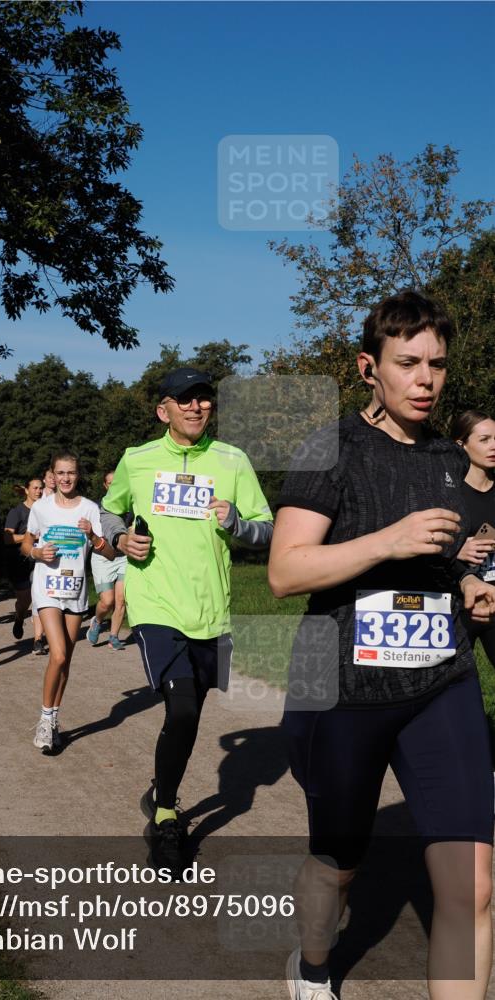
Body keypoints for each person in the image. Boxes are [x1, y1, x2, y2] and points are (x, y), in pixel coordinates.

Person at [269, 291, 494, 1000]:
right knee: (337, 865)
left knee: (476, 887)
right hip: (345, 688)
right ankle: (311, 965)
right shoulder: (330, 447)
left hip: (440, 681)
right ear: (371, 367)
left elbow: (436, 558)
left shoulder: (448, 460)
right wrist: (386, 541)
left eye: (437, 365)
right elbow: (285, 571)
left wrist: (465, 582)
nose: (425, 379)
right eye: (407, 363)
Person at [100, 367, 273, 877]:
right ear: (164, 410)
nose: (197, 407)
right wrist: (119, 541)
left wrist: (235, 522)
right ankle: (168, 817)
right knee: (180, 708)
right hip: (156, 605)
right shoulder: (138, 459)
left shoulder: (232, 460)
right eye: (185, 400)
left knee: (191, 713)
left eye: (204, 400)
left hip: (210, 611)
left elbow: (266, 528)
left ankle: (159, 791)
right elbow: (110, 513)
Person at [21, 453, 105, 752]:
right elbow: (27, 542)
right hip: (46, 589)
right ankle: (44, 720)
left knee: (66, 659)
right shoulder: (42, 508)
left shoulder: (90, 508)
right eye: (61, 473)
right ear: (52, 476)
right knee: (57, 655)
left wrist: (92, 535)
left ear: (78, 474)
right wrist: (35, 554)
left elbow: (108, 552)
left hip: (76, 591)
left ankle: (54, 719)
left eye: (71, 472)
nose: (66, 478)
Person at [451, 409, 495, 669]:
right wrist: (456, 548)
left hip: (493, 601)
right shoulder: (447, 493)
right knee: (449, 685)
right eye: (485, 439)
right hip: (456, 604)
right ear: (461, 444)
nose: (494, 446)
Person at [4, 477, 47, 654]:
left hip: (41, 560)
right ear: (27, 490)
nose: (38, 491)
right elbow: (7, 538)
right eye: (35, 488)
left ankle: (38, 639)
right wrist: (30, 537)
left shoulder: (46, 511)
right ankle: (19, 617)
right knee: (25, 599)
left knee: (40, 598)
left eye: (41, 488)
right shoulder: (17, 512)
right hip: (20, 560)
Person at [87, 470, 129, 650]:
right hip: (102, 557)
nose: (113, 486)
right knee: (107, 601)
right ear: (105, 486)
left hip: (124, 558)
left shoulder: (130, 506)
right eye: (109, 483)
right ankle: (97, 621)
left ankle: (114, 636)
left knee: (121, 600)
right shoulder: (96, 507)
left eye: (115, 482)